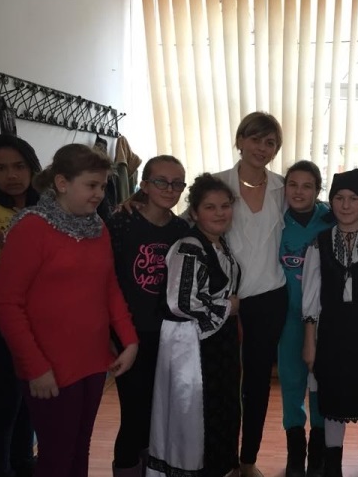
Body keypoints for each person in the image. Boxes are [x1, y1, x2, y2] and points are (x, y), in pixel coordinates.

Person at [0, 143, 139, 477]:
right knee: (56, 458)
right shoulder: (30, 228)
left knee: (79, 449)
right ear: (62, 183)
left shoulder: (97, 227)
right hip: (50, 367)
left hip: (93, 361)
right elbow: (6, 305)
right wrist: (35, 367)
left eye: (103, 185)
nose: (100, 194)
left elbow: (109, 289)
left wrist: (129, 340)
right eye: (92, 185)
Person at [147, 173, 241, 477]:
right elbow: (181, 301)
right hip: (192, 345)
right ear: (195, 212)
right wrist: (229, 306)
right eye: (210, 207)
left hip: (217, 342)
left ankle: (220, 468)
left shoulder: (219, 244)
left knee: (222, 408)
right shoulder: (189, 247)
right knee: (197, 414)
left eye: (225, 206)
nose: (220, 213)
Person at [214, 111, 288, 477]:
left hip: (269, 298)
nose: (262, 147)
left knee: (257, 384)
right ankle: (224, 458)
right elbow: (184, 221)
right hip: (224, 300)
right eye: (255, 139)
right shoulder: (217, 184)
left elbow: (319, 213)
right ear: (240, 140)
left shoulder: (283, 188)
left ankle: (248, 460)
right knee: (223, 382)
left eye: (270, 142)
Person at [302, 169, 358, 477]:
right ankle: (332, 468)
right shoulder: (320, 242)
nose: (346, 205)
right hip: (331, 331)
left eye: (353, 198)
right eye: (339, 198)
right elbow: (311, 296)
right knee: (333, 403)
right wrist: (310, 341)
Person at [107, 155, 190, 477]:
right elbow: (106, 281)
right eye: (161, 182)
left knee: (158, 414)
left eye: (177, 184)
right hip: (129, 334)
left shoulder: (181, 229)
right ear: (144, 184)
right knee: (134, 414)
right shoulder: (122, 222)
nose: (169, 189)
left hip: (168, 335)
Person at [0, 134, 41, 477]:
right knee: (3, 410)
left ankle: (24, 464)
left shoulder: (45, 210)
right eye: (1, 168)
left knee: (30, 405)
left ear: (32, 168)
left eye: (18, 166)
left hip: (36, 325)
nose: (11, 175)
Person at [278, 161, 334, 477]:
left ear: (317, 190)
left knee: (320, 385)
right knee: (291, 383)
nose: (299, 192)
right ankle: (295, 454)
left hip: (325, 321)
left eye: (307, 186)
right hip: (287, 319)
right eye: (293, 185)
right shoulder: (275, 220)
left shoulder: (330, 219)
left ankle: (318, 454)